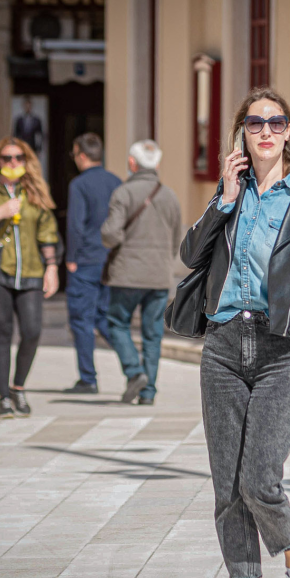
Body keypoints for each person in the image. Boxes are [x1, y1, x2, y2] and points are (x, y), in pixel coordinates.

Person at [180, 88, 290, 578]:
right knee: (227, 485)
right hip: (224, 347)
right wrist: (222, 198)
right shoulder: (231, 195)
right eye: (256, 123)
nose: (267, 131)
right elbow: (189, 256)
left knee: (259, 479)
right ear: (243, 134)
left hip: (283, 352)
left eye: (276, 122)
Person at [0, 137, 61, 419]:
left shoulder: (36, 192)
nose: (13, 163)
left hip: (30, 272)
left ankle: (18, 386)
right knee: (2, 335)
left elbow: (48, 233)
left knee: (32, 332)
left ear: (26, 160)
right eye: (7, 158)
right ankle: (4, 397)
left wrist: (52, 267)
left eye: (18, 157)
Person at [100, 139, 183, 405]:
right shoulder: (170, 195)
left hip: (127, 273)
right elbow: (176, 239)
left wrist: (114, 237)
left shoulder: (123, 193)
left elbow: (110, 234)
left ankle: (134, 372)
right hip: (159, 275)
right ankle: (148, 393)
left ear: (132, 163)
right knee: (153, 333)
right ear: (157, 164)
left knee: (117, 323)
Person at [63, 132, 121, 395]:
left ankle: (88, 378)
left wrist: (71, 258)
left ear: (82, 155)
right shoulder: (116, 182)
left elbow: (75, 224)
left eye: (74, 154)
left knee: (81, 320)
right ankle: (134, 368)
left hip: (86, 259)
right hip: (111, 259)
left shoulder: (79, 184)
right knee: (106, 318)